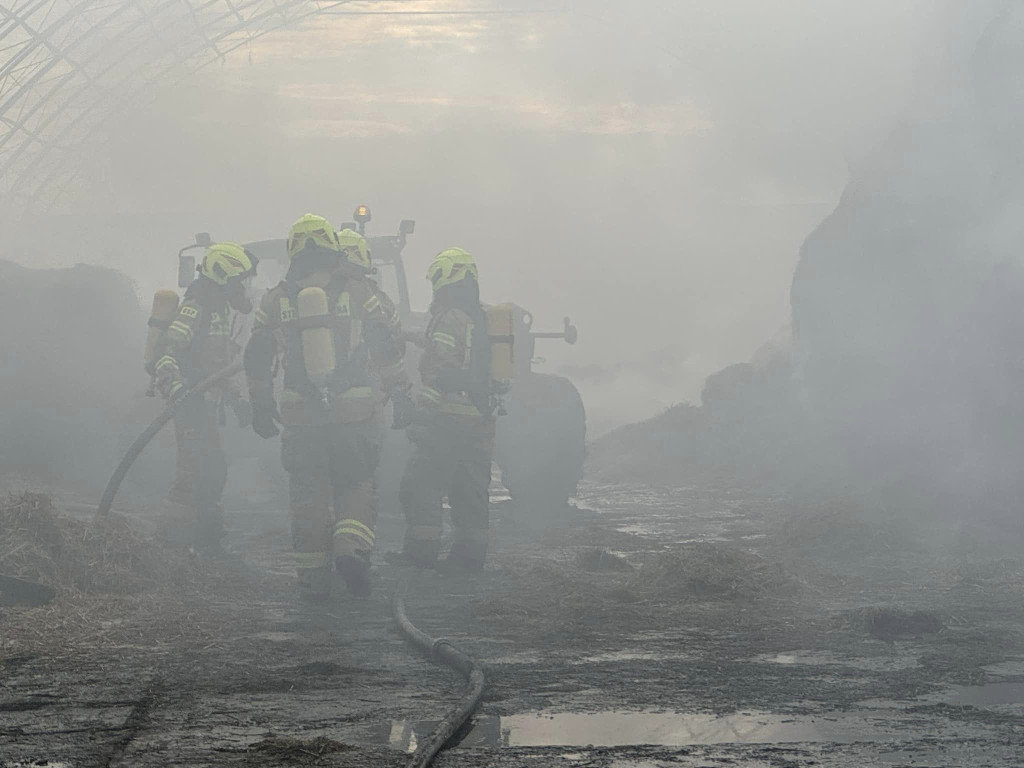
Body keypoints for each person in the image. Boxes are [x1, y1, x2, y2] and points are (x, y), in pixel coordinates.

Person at [244, 214, 413, 600]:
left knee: (309, 494)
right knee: (356, 483)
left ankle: (313, 579)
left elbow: (258, 355)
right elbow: (385, 344)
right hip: (354, 413)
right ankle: (351, 549)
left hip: (301, 416)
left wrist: (260, 404)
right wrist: (401, 393)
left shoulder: (275, 298)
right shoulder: (358, 290)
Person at [153, 242, 257, 549]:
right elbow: (165, 352)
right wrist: (177, 390)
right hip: (190, 402)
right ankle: (170, 544)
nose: (242, 288)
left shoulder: (218, 311)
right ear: (223, 277)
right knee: (192, 471)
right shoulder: (196, 307)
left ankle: (206, 539)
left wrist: (237, 400)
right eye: (239, 281)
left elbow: (216, 367)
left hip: (205, 403)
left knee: (214, 468)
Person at [400, 247, 495, 571]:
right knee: (470, 488)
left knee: (421, 483)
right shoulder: (480, 317)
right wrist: (410, 335)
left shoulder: (449, 316)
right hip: (479, 417)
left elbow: (443, 362)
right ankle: (470, 557)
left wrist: (422, 407)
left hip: (448, 417)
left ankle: (421, 553)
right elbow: (464, 354)